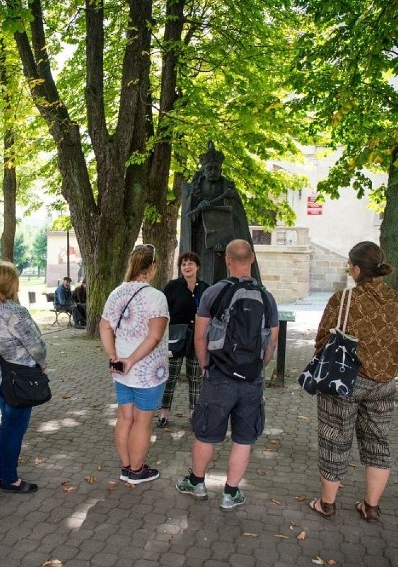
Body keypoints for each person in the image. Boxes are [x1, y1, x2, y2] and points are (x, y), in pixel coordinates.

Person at [176, 240, 278, 510]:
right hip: (251, 379)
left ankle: (197, 483)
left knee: (206, 433)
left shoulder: (215, 293)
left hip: (219, 375)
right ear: (252, 259)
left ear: (227, 260)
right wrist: (258, 368)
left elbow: (200, 335)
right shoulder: (267, 297)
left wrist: (206, 365)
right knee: (244, 438)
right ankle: (230, 493)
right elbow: (271, 343)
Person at [306, 241, 398, 522]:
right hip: (384, 382)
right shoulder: (396, 300)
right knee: (378, 442)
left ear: (358, 268)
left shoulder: (343, 299)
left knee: (335, 438)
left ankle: (327, 504)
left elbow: (322, 337)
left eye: (350, 263)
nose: (348, 267)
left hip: (346, 379)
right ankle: (371, 507)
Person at [99, 244, 169, 485]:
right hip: (147, 372)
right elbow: (155, 336)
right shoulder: (156, 297)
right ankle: (137, 471)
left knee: (124, 417)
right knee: (142, 420)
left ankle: (126, 466)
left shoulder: (115, 293)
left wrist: (113, 356)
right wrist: (131, 360)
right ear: (151, 268)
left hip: (120, 370)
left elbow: (105, 327)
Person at [0, 262, 47, 494]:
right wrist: (43, 365)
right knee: (15, 429)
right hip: (20, 381)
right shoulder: (15, 311)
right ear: (11, 283)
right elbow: (36, 346)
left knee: (6, 426)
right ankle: (10, 479)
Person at [179, 141, 260, 285]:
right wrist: (199, 207)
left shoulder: (228, 189)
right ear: (203, 169)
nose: (213, 171)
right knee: (201, 277)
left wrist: (223, 240)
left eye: (216, 168)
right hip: (200, 243)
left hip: (223, 244)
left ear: (221, 170)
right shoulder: (193, 189)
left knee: (220, 277)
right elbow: (188, 220)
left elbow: (236, 219)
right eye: (209, 168)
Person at [158, 252, 209, 427]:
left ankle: (194, 414)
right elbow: (161, 311)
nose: (187, 267)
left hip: (198, 339)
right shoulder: (172, 286)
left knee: (195, 378)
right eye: (183, 264)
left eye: (190, 264)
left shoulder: (205, 288)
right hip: (176, 339)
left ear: (198, 267)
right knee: (170, 377)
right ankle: (164, 413)